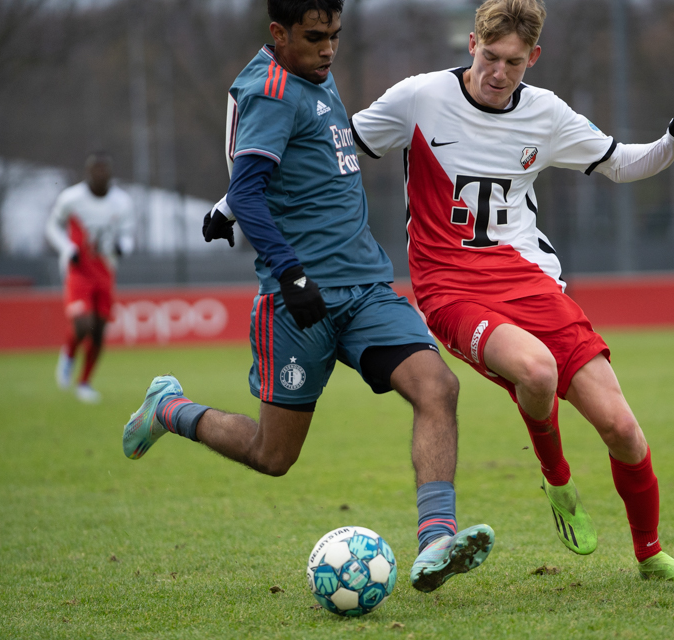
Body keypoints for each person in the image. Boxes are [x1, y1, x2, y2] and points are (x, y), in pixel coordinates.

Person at [123, 0, 492, 594]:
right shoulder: (268, 90)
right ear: (279, 33)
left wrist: (224, 202)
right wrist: (290, 271)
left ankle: (436, 542)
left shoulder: (314, 71)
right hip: (300, 300)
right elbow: (250, 190)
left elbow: (295, 161)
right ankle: (169, 409)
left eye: (336, 36)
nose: (329, 49)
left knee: (438, 387)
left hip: (366, 286)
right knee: (274, 456)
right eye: (315, 37)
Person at [347, 0, 674, 581]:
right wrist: (235, 204)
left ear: (533, 58)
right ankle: (557, 476)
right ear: (471, 44)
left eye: (513, 62)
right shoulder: (418, 98)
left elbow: (622, 164)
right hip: (450, 288)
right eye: (489, 57)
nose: (498, 72)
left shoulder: (545, 114)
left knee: (622, 428)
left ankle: (650, 554)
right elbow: (335, 152)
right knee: (537, 372)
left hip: (530, 282)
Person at [46, 152, 134, 404]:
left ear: (110, 173)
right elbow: (52, 227)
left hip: (105, 271)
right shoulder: (71, 199)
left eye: (104, 170)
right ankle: (69, 354)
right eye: (96, 170)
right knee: (83, 324)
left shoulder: (122, 202)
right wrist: (67, 249)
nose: (100, 174)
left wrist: (122, 248)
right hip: (78, 270)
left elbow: (128, 236)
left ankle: (84, 383)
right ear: (88, 172)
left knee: (98, 331)